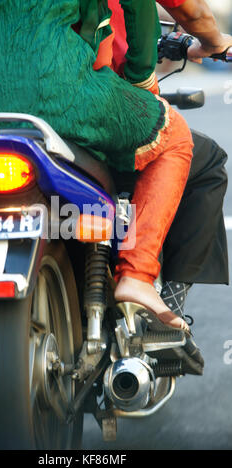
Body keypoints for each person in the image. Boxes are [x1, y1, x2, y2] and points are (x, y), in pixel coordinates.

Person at [0, 1, 226, 367]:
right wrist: (142, 77)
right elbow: (144, 12)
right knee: (174, 135)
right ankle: (137, 276)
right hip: (62, 91)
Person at [108, 0, 230, 316]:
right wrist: (214, 42)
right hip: (96, 101)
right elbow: (184, 10)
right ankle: (165, 299)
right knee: (201, 156)